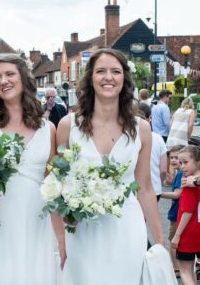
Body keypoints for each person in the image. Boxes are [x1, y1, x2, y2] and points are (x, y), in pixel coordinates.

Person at [57, 48, 165, 284]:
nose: (108, 77)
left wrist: (159, 239)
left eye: (115, 71)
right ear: (90, 78)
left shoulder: (141, 129)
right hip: (82, 229)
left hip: (125, 226)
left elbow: (144, 187)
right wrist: (60, 239)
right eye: (101, 71)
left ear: (124, 79)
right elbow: (57, 186)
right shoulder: (68, 126)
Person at [0, 55, 61, 284]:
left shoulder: (49, 129)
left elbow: (53, 184)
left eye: (9, 74)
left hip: (36, 222)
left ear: (24, 79)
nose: (3, 81)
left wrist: (62, 237)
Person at [171, 145, 200, 285]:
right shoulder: (193, 180)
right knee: (191, 270)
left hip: (188, 231)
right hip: (197, 230)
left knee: (185, 271)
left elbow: (187, 211)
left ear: (197, 161)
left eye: (185, 162)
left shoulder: (189, 183)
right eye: (180, 162)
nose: (182, 166)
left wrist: (177, 234)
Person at [161, 145, 184, 278]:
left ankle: (176, 268)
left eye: (177, 158)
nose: (174, 160)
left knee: (173, 240)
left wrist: (158, 193)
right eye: (172, 158)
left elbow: (177, 194)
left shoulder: (180, 173)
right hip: (178, 212)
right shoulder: (180, 172)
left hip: (177, 213)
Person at [138, 103, 167, 201]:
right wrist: (160, 182)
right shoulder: (158, 138)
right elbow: (163, 169)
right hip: (154, 188)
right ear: (149, 118)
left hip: (133, 189)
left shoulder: (127, 137)